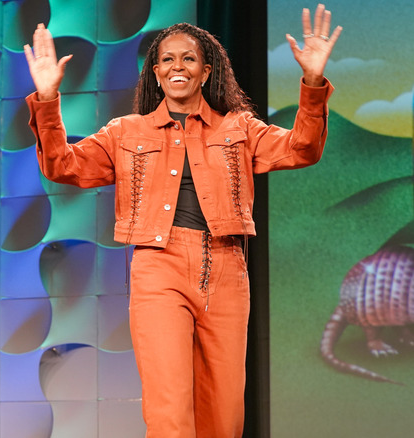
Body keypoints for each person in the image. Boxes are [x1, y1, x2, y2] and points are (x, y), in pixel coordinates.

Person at [24, 5, 341, 438]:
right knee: (170, 410)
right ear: (156, 74)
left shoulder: (239, 128)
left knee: (223, 417)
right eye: (168, 59)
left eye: (188, 58)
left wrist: (313, 83)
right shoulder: (125, 132)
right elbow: (63, 165)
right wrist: (46, 100)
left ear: (206, 72)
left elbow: (302, 148)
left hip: (227, 269)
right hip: (159, 267)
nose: (178, 66)